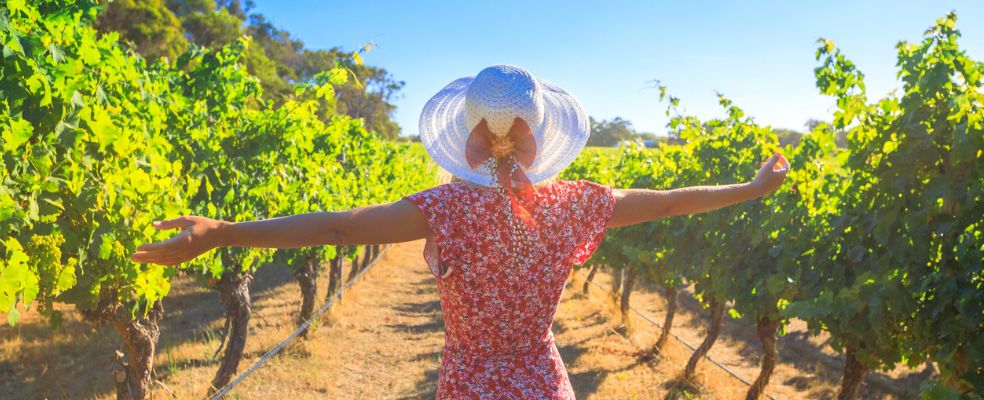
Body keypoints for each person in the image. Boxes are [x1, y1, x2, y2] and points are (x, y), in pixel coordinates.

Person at [131, 65, 789, 399]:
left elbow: (335, 225)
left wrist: (223, 232)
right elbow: (672, 203)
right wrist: (752, 189)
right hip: (541, 382)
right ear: (540, 136)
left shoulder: (444, 211)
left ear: (469, 136)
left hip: (468, 384)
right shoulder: (573, 205)